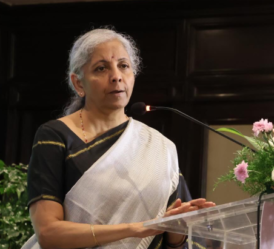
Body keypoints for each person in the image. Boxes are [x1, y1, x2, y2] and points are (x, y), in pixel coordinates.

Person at [22, 28, 215, 249]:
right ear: (78, 83)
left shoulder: (161, 147)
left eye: (123, 66)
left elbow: (175, 240)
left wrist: (177, 229)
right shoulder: (55, 137)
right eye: (101, 68)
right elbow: (48, 233)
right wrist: (133, 229)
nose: (116, 76)